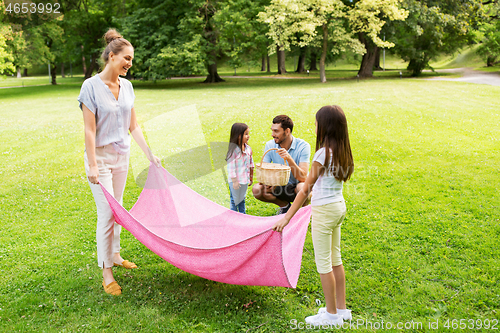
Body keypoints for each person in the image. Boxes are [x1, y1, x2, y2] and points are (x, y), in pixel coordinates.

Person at [78, 29, 161, 296]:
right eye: (126, 58)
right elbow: (89, 130)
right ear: (111, 57)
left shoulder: (128, 87)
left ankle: (115, 254)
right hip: (99, 158)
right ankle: (106, 272)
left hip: (121, 156)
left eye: (132, 59)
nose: (130, 64)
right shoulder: (90, 86)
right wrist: (92, 165)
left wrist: (149, 153)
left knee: (119, 209)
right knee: (107, 213)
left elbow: (133, 126)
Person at [273, 105, 354, 327]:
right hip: (338, 207)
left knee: (324, 264)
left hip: (325, 211)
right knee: (336, 259)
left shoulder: (322, 153)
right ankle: (341, 309)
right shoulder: (341, 150)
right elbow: (313, 179)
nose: (315, 125)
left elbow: (306, 189)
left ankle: (331, 316)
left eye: (317, 122)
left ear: (325, 126)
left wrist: (286, 218)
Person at [252, 115, 310, 215]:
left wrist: (289, 159)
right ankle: (285, 206)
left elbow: (303, 178)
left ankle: (301, 213)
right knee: (257, 189)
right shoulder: (270, 145)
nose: (272, 134)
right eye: (272, 130)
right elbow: (264, 170)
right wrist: (267, 182)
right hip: (277, 186)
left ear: (287, 131)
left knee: (304, 188)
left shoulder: (303, 146)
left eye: (276, 131)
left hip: (296, 186)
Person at [226, 123, 254, 213]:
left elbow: (251, 163)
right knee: (234, 200)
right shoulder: (233, 151)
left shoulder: (248, 149)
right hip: (235, 181)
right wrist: (234, 182)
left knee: (242, 199)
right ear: (238, 136)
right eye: (246, 134)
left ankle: (243, 215)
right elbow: (231, 168)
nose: (248, 136)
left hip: (244, 180)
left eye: (248, 133)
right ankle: (233, 217)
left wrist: (251, 177)